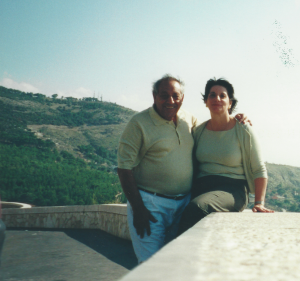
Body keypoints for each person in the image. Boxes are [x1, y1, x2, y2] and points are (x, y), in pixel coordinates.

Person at [117, 75, 249, 263]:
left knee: (174, 264)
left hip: (183, 205)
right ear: (154, 96)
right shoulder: (138, 123)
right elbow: (124, 168)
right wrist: (138, 208)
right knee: (150, 266)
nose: (170, 101)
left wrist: (236, 119)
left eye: (175, 96)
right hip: (150, 206)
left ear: (182, 98)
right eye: (164, 95)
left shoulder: (189, 119)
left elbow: (213, 128)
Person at [178, 78, 274, 235]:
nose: (217, 99)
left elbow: (259, 168)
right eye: (212, 95)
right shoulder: (199, 131)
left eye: (222, 96)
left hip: (232, 190)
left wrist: (259, 203)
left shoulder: (243, 130)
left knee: (198, 208)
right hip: (201, 187)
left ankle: (180, 257)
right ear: (206, 102)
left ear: (230, 103)